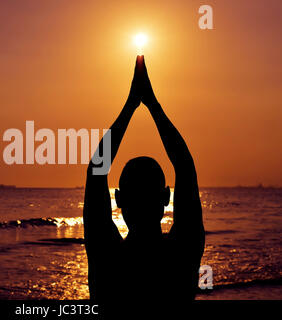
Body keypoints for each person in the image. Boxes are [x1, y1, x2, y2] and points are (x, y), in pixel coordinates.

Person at [83, 55, 205, 302]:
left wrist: (131, 105)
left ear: (118, 199)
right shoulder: (182, 254)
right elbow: (185, 167)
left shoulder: (108, 257)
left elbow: (97, 169)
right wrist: (151, 103)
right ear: (166, 197)